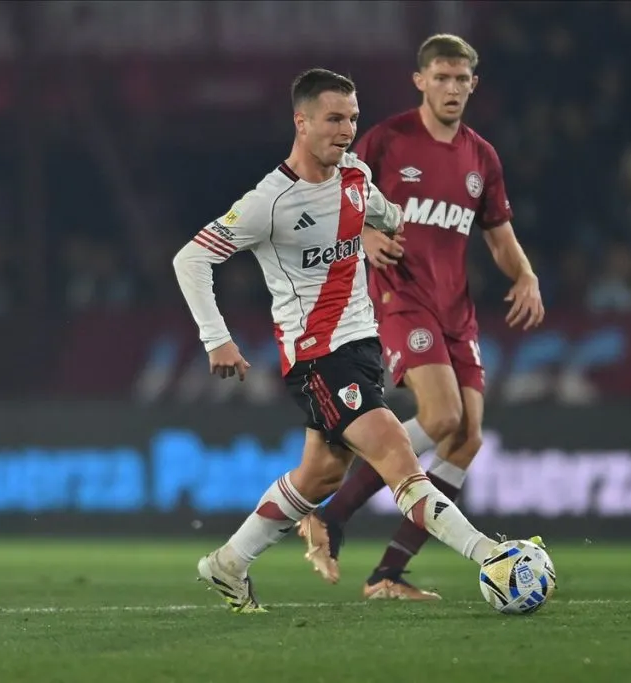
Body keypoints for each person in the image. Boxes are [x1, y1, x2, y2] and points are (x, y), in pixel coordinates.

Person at [173, 67, 540, 613]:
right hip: (317, 357)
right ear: (301, 122)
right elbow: (192, 258)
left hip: (362, 348)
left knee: (320, 473)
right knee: (397, 452)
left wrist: (379, 229)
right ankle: (492, 555)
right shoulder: (269, 202)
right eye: (334, 119)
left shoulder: (355, 177)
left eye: (353, 118)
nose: (346, 129)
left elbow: (386, 215)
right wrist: (216, 340)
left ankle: (229, 562)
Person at [297, 35, 545, 601]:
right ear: (421, 81)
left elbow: (499, 236)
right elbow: (329, 197)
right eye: (440, 77)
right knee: (441, 416)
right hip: (400, 298)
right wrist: (364, 233)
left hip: (457, 310)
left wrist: (525, 275)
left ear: (473, 85)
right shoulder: (387, 140)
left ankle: (387, 574)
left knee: (468, 437)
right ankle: (329, 516)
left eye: (460, 79)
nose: (451, 88)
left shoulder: (481, 157)